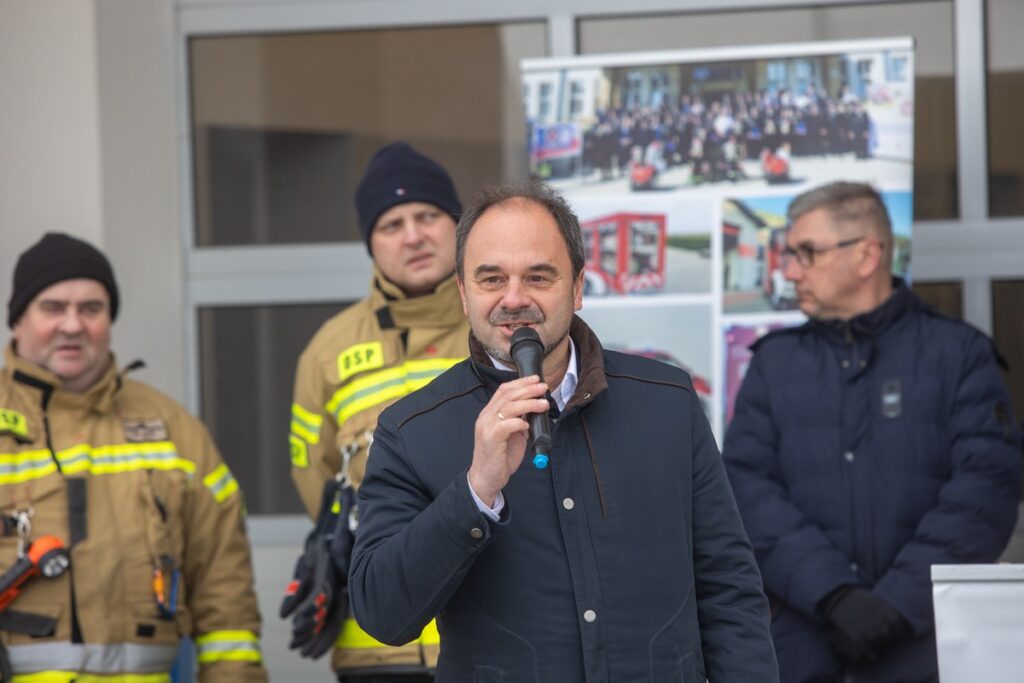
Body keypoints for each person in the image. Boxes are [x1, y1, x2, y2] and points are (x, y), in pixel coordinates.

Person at [349, 180, 779, 681]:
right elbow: (383, 613)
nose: (514, 299)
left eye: (538, 276)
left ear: (576, 287)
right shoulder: (410, 430)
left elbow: (729, 590)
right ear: (463, 294)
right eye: (491, 279)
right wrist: (475, 490)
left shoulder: (667, 401)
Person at [723, 181, 1022, 683]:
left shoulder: (960, 354)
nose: (790, 271)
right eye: (789, 255)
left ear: (867, 255)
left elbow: (983, 493)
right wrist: (834, 595)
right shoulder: (774, 364)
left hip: (928, 652)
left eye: (806, 253)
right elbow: (745, 491)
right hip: (803, 651)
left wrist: (895, 607)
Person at [0, 233, 266, 681]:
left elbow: (224, 584)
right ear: (17, 320)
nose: (72, 325)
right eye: (52, 307)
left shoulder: (173, 428)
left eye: (91, 308)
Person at [289, 142, 469, 681]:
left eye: (427, 215)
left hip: (495, 630)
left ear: (458, 224)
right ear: (370, 242)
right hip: (376, 644)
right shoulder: (327, 350)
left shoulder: (501, 323)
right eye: (391, 224)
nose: (412, 235)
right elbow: (314, 479)